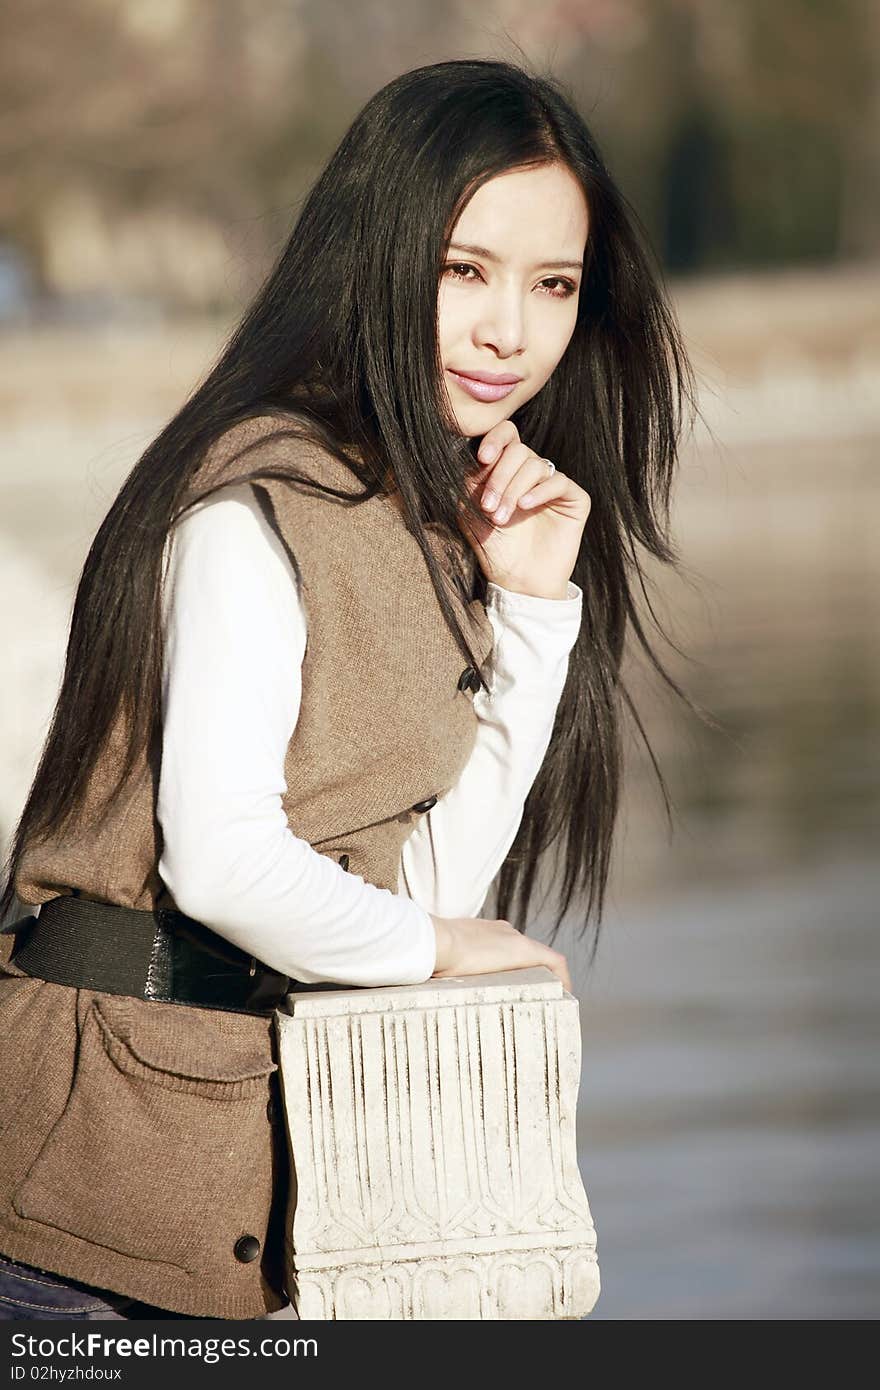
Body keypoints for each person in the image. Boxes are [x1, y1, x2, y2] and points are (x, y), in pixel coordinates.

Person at [0, 58, 698, 1320]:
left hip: (238, 1175)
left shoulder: (413, 521)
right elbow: (218, 862)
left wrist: (535, 613)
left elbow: (417, 887)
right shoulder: (254, 502)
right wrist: (441, 949)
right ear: (376, 253)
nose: (509, 330)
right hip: (78, 1204)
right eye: (463, 269)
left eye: (553, 285)